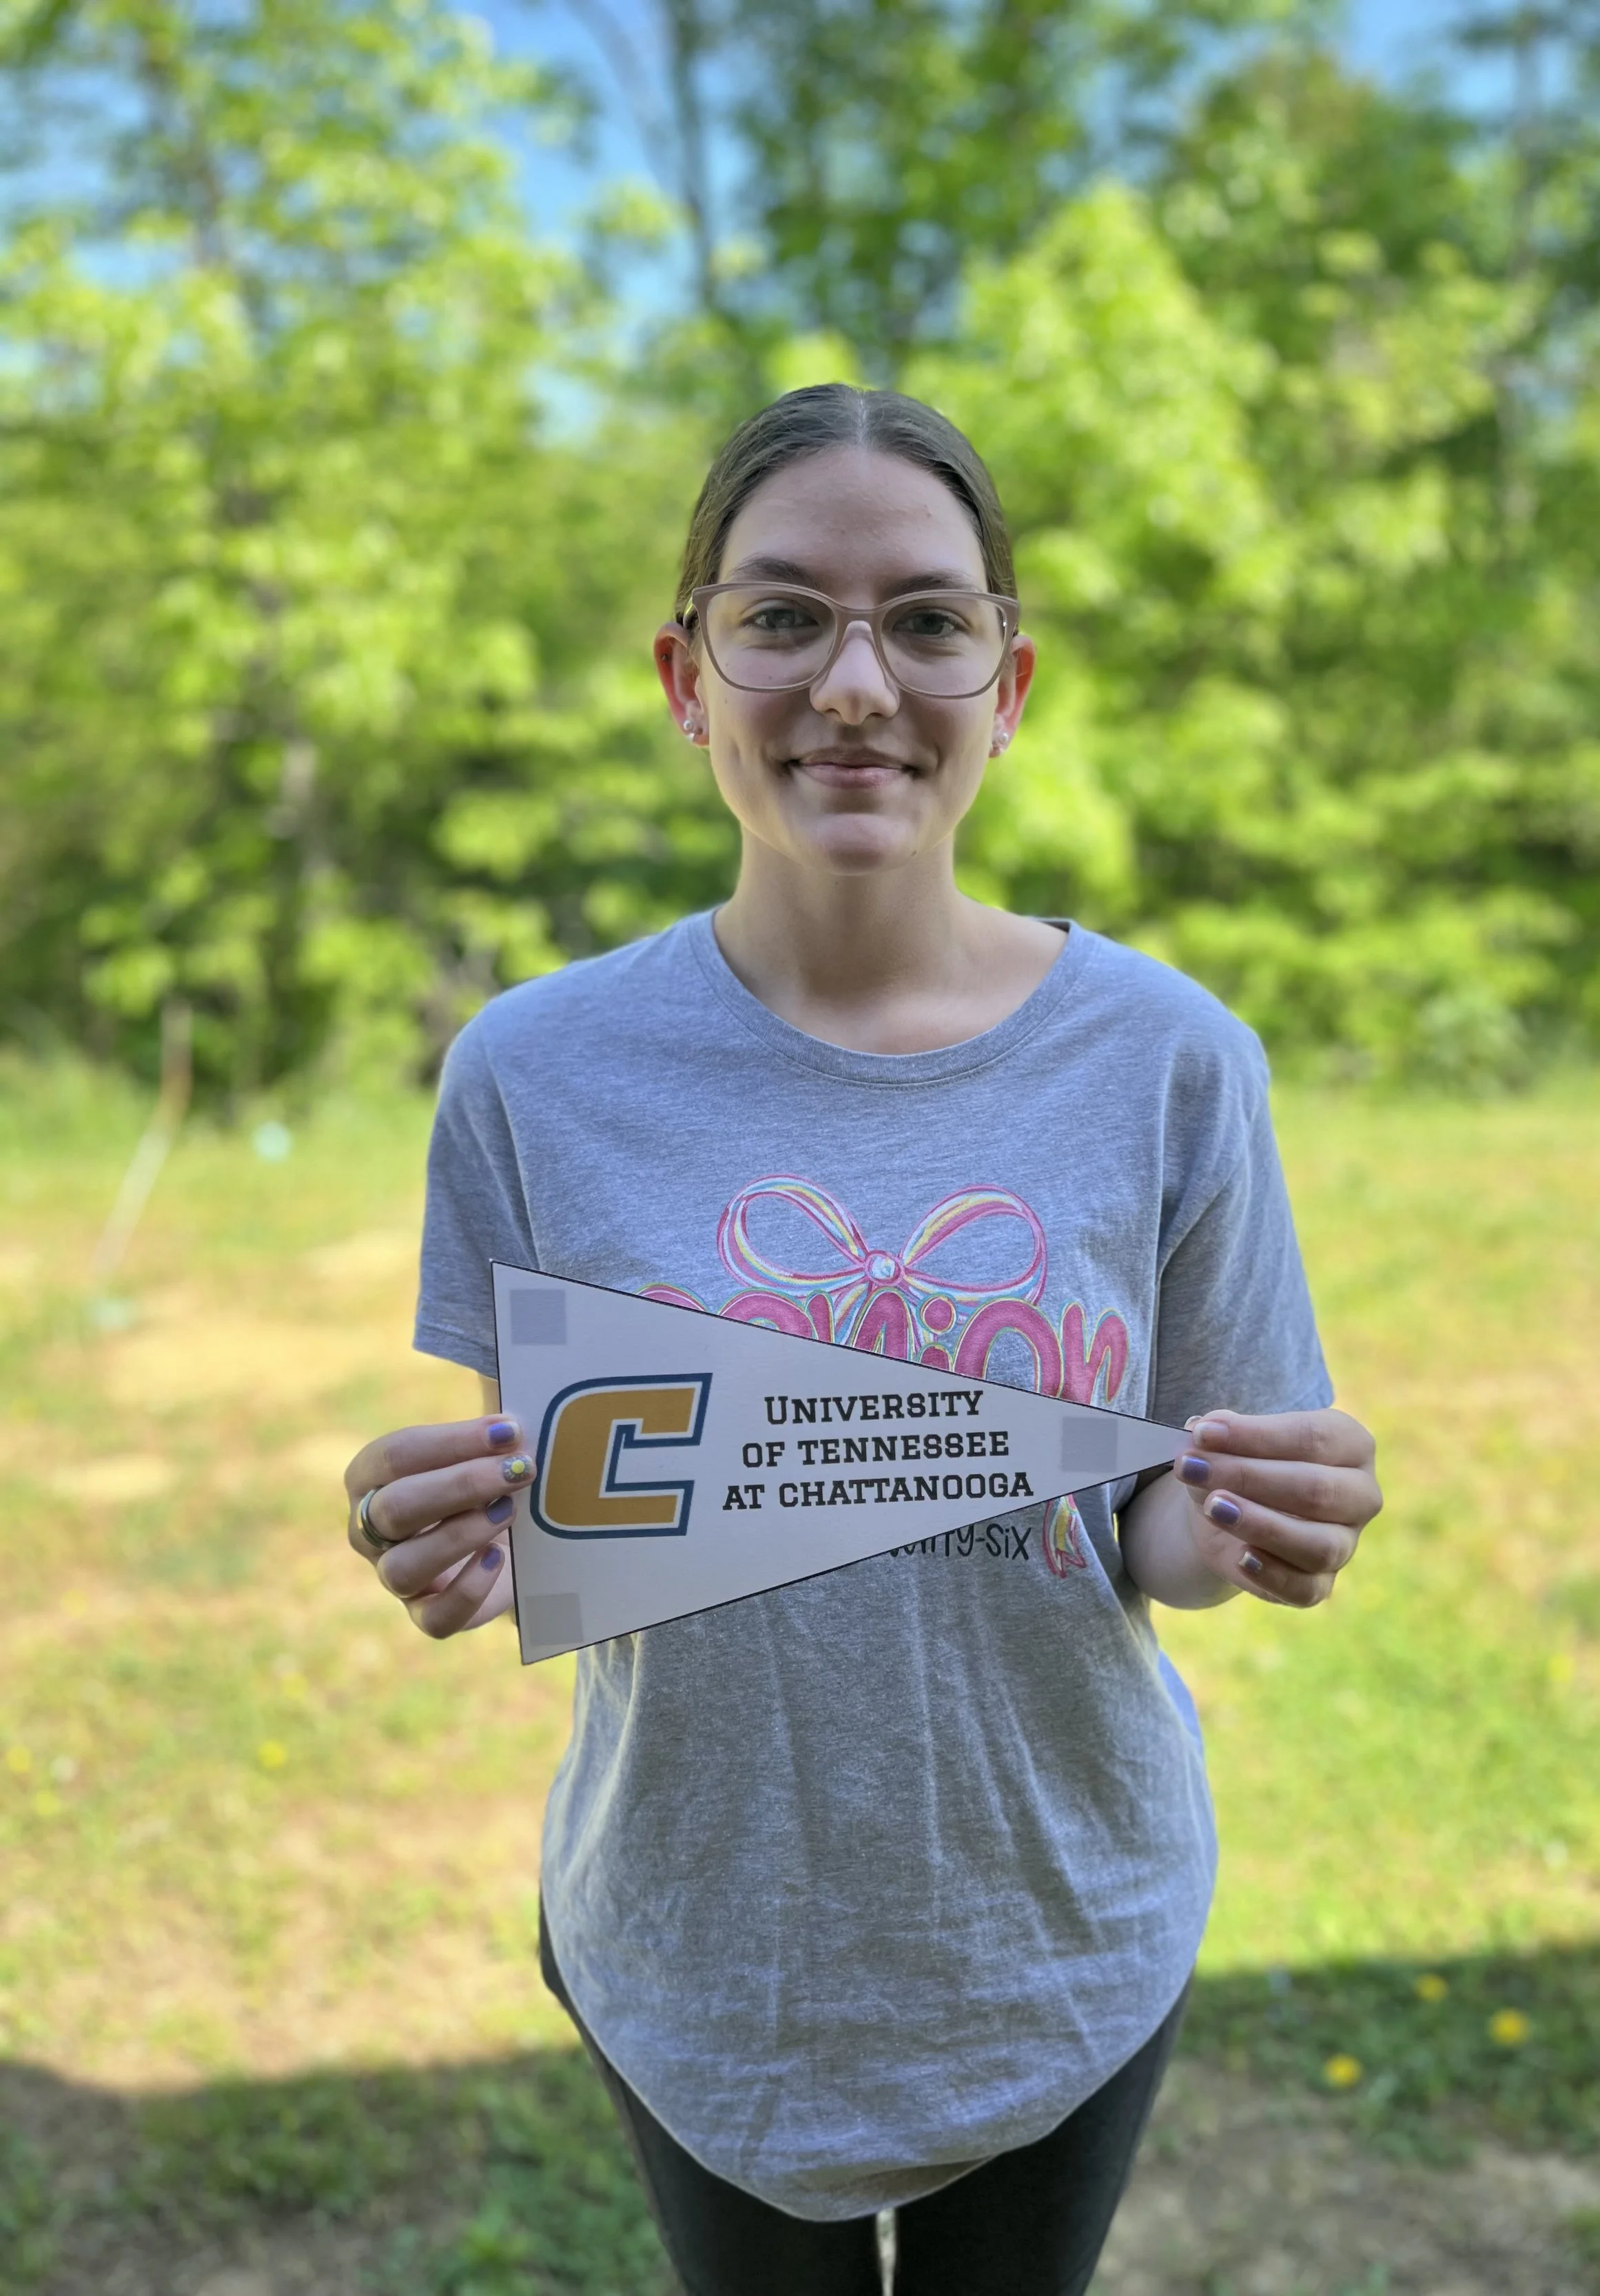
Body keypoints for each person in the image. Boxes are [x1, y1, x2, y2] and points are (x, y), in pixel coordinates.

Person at [342, 384, 1382, 2296]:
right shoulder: (531, 1072)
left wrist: (1239, 1526)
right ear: (683, 671)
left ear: (1009, 679)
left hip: (1055, 1917)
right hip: (696, 1938)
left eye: (922, 618)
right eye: (780, 615)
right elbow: (573, 1523)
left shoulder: (1166, 1060)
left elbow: (1146, 1525)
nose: (851, 683)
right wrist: (452, 1543)